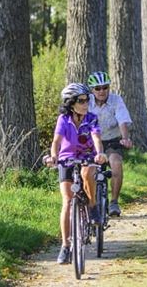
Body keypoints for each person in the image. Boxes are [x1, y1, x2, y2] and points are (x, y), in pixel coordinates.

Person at [45, 83, 108, 264]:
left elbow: (96, 138)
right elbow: (56, 141)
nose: (86, 103)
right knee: (67, 200)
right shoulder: (63, 119)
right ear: (71, 103)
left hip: (88, 156)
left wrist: (100, 154)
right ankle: (65, 246)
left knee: (88, 173)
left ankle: (93, 206)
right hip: (67, 159)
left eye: (87, 99)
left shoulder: (92, 118)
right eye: (81, 100)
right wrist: (53, 157)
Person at [87, 71, 133, 217]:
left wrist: (125, 138)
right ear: (92, 90)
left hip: (112, 140)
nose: (102, 91)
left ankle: (114, 202)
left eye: (105, 87)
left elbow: (122, 120)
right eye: (97, 88)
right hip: (91, 141)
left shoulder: (116, 100)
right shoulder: (86, 101)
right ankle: (91, 203)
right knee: (89, 170)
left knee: (116, 163)